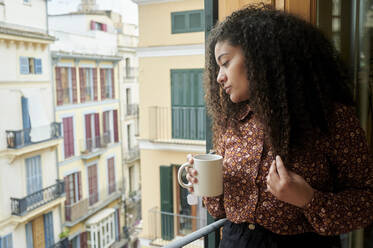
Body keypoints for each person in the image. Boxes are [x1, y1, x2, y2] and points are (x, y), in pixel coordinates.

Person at [185, 4, 373, 248]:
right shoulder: (232, 123)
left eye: (226, 62)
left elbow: (367, 202)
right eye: (218, 67)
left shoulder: (332, 118)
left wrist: (309, 199)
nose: (219, 76)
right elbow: (219, 210)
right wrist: (209, 183)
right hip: (235, 241)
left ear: (259, 57)